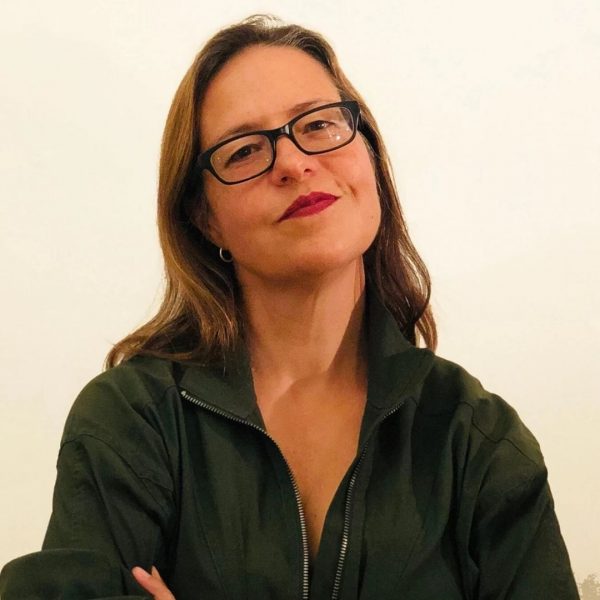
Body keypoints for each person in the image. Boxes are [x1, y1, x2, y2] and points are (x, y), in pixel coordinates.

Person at [0, 14, 578, 600]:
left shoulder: (478, 437)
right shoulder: (133, 419)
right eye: (245, 150)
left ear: (369, 158)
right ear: (204, 217)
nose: (294, 163)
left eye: (320, 124)